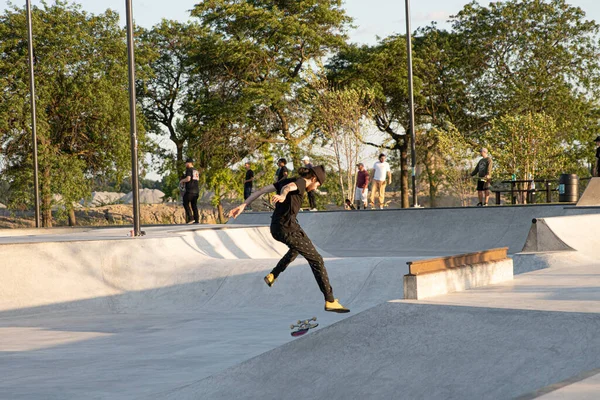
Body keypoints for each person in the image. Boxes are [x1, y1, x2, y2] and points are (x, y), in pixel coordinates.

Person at [228, 166, 349, 313]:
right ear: (314, 179)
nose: (316, 188)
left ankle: (273, 274)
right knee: (317, 260)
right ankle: (330, 300)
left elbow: (261, 190)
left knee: (296, 249)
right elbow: (288, 187)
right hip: (288, 229)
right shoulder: (301, 182)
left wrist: (243, 205)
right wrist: (284, 195)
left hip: (277, 228)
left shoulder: (290, 179)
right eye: (318, 185)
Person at [179, 158, 200, 223]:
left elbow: (188, 179)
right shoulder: (196, 171)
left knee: (185, 203)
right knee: (194, 205)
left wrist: (182, 181)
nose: (185, 164)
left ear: (189, 163)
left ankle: (191, 218)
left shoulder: (189, 170)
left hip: (190, 190)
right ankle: (196, 220)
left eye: (186, 163)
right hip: (196, 191)